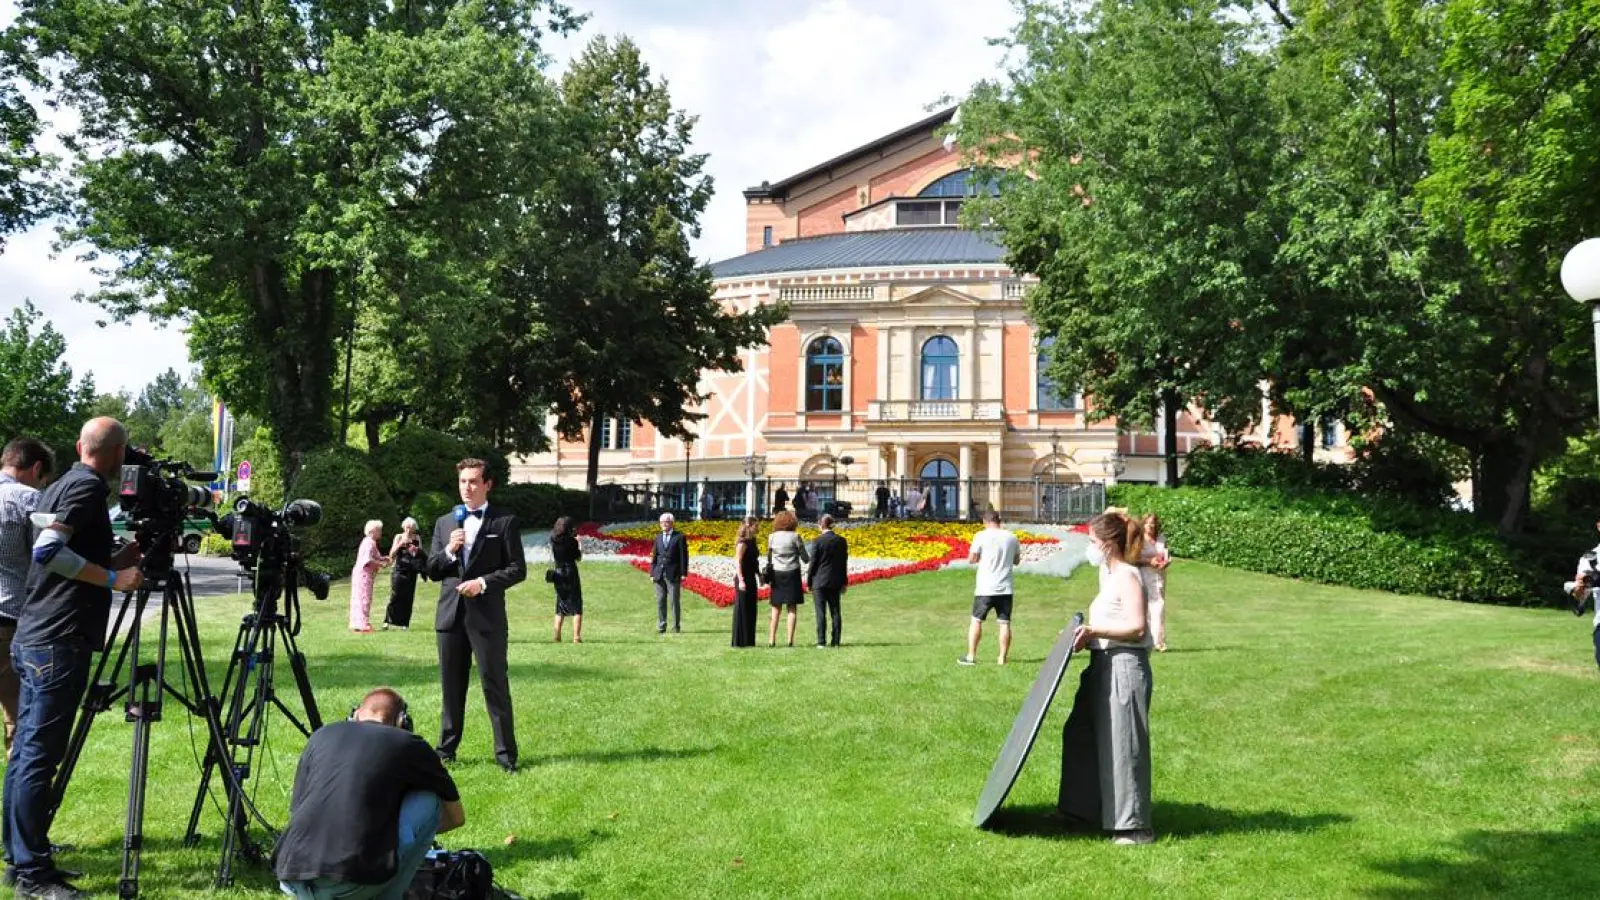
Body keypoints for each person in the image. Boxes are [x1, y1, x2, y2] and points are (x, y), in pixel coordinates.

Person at [7, 418, 142, 898]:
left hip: (34, 634)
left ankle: (20, 854)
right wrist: (112, 581)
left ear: (82, 446)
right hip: (57, 640)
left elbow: (62, 547)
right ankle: (32, 876)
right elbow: (47, 552)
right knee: (38, 757)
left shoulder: (61, 483)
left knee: (26, 752)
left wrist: (114, 560)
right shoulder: (86, 488)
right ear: (117, 453)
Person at [274, 688, 465, 900]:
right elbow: (456, 817)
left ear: (355, 715)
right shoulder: (410, 743)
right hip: (350, 883)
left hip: (292, 876)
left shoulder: (320, 736)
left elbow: (296, 808)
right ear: (402, 721)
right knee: (429, 802)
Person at [1058, 510, 1155, 845]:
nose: (1090, 546)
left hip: (1124, 665)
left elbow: (1137, 626)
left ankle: (1133, 826)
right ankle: (1081, 810)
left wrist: (1095, 630)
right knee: (1079, 733)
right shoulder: (1109, 573)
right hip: (1101, 665)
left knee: (1124, 743)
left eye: (1093, 541)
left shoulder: (1128, 576)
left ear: (1109, 544)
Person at [425, 459, 525, 774]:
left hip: (487, 618)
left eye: (473, 482)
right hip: (450, 617)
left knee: (494, 685)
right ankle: (445, 752)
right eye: (462, 482)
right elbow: (431, 570)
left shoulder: (504, 522)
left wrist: (482, 584)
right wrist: (450, 551)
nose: (467, 488)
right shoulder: (444, 523)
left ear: (487, 484)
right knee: (451, 687)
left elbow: (517, 569)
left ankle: (506, 756)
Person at [0, 438, 52, 758]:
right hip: (10, 618)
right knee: (19, 721)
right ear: (36, 469)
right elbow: (53, 556)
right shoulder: (29, 499)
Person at [959, 509, 1022, 667]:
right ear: (998, 521)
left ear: (985, 522)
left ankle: (971, 656)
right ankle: (1002, 658)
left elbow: (971, 559)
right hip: (1005, 587)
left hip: (985, 587)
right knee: (1004, 623)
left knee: (976, 621)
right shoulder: (1011, 537)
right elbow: (1016, 560)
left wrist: (979, 557)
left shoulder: (981, 536)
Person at [765, 511, 808, 647]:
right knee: (792, 608)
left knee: (775, 608)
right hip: (792, 573)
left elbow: (769, 557)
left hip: (777, 573)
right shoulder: (795, 536)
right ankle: (790, 640)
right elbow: (805, 557)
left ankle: (772, 639)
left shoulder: (771, 537)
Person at [807, 514, 848, 648]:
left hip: (819, 580)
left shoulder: (817, 541)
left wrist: (809, 581)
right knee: (835, 611)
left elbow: (813, 563)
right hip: (835, 580)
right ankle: (836, 641)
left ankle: (821, 641)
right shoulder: (841, 541)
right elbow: (843, 563)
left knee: (820, 612)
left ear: (821, 525)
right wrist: (844, 582)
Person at [650, 513, 689, 634]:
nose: (663, 524)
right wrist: (652, 573)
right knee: (660, 600)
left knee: (674, 601)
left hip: (673, 574)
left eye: (666, 522)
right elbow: (654, 556)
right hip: (659, 574)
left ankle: (676, 627)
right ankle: (662, 626)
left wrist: (683, 573)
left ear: (672, 523)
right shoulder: (658, 537)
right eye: (661, 522)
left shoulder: (679, 537)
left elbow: (684, 556)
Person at [383, 518, 424, 631]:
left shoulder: (417, 538)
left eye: (411, 528)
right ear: (403, 527)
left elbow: (420, 553)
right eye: (407, 527)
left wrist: (415, 550)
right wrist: (401, 543)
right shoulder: (398, 536)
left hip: (412, 570)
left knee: (408, 597)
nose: (409, 530)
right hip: (399, 569)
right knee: (395, 595)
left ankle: (404, 623)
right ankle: (387, 621)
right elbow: (391, 554)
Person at [350, 520, 388, 633]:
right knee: (364, 598)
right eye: (379, 530)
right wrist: (381, 564)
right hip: (364, 574)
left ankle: (358, 624)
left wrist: (383, 558)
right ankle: (363, 624)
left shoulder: (369, 542)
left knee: (360, 598)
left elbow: (374, 556)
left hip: (363, 573)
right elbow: (367, 560)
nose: (380, 532)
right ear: (372, 531)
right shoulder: (369, 542)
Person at [549, 516, 583, 643]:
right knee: (576, 604)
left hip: (558, 573)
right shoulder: (572, 542)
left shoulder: (553, 540)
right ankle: (576, 636)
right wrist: (579, 544)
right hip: (571, 572)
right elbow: (578, 557)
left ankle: (557, 636)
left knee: (560, 604)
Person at [1141, 515, 1171, 652]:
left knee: (1159, 606)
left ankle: (1158, 640)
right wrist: (1149, 561)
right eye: (1147, 524)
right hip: (1144, 574)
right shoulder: (1139, 539)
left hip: (1159, 575)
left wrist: (1167, 561)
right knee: (1147, 607)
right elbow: (1133, 558)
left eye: (1152, 523)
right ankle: (1149, 640)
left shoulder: (1161, 538)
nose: (1150, 526)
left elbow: (1166, 553)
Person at [730, 516, 760, 648]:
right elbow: (738, 561)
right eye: (756, 525)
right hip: (743, 578)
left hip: (751, 577)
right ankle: (740, 640)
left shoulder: (753, 541)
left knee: (751, 608)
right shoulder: (742, 542)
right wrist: (741, 580)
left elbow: (754, 560)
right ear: (750, 526)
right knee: (742, 608)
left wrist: (759, 574)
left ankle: (749, 640)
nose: (758, 527)